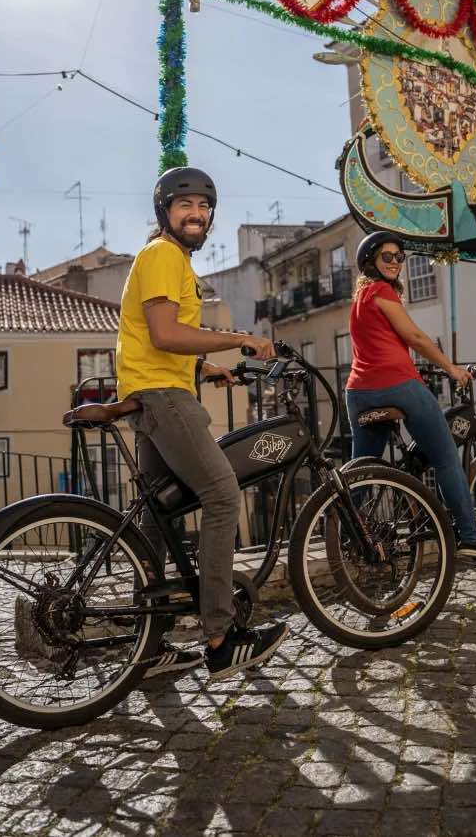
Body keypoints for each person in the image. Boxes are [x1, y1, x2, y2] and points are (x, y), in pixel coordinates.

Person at [116, 166, 288, 679]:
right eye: (185, 205)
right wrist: (239, 338)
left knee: (154, 518)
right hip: (164, 397)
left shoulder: (166, 260)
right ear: (165, 212)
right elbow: (167, 333)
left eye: (204, 206)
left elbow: (158, 341)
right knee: (220, 495)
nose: (197, 214)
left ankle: (148, 647)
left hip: (150, 390)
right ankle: (221, 635)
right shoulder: (164, 255)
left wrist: (205, 368)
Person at [345, 230, 476, 560]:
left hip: (359, 392)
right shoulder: (382, 290)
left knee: (362, 471)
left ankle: (350, 538)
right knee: (445, 457)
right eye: (387, 257)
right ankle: (470, 536)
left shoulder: (358, 299)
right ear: (370, 260)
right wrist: (452, 368)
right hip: (397, 384)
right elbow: (414, 337)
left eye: (400, 258)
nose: (395, 263)